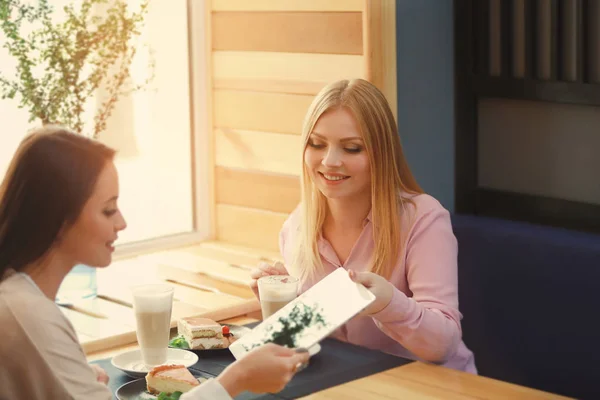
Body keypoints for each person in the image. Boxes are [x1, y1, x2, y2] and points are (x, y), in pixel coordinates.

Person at [0, 126, 309, 399]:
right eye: (108, 210)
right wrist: (236, 379)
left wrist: (75, 381)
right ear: (59, 219)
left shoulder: (19, 298)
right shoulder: (29, 316)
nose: (121, 223)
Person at [250, 79, 476, 373]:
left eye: (352, 148)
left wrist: (389, 304)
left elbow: (442, 347)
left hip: (432, 386)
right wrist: (286, 306)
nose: (330, 161)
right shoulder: (297, 226)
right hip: (348, 384)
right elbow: (309, 341)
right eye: (317, 144)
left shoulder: (424, 219)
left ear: (381, 153)